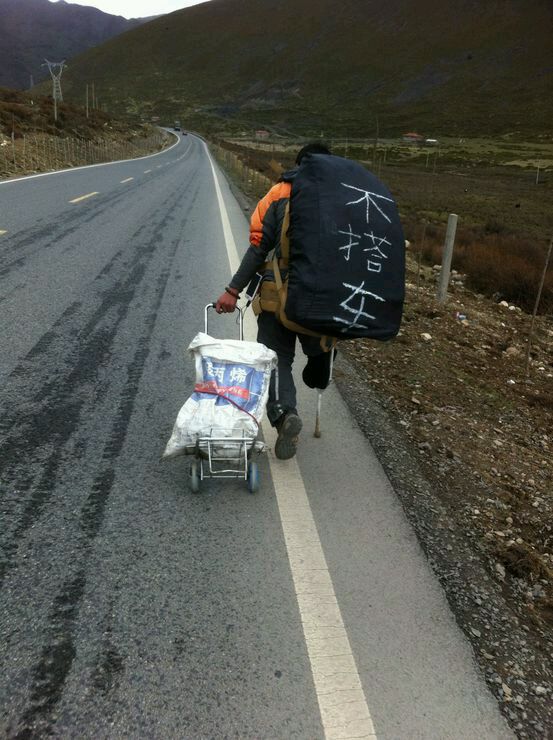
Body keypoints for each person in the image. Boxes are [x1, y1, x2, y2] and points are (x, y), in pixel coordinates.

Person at [215, 142, 334, 460]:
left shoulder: (279, 192)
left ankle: (284, 414)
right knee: (319, 343)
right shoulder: (343, 196)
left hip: (276, 294)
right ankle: (320, 358)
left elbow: (258, 247)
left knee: (276, 358)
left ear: (298, 164)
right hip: (323, 297)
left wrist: (233, 289)